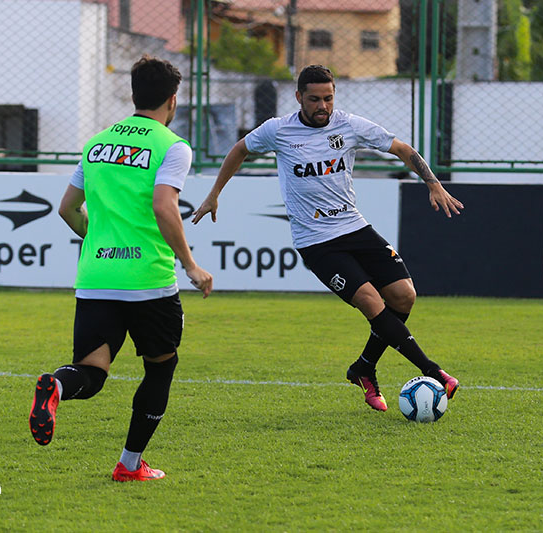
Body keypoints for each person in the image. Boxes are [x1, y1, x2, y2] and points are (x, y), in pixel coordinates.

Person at [192, 65, 461, 412]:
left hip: (355, 227)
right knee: (370, 300)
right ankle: (432, 370)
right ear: (299, 97)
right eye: (315, 99)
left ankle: (363, 368)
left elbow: (401, 149)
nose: (323, 106)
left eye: (329, 98)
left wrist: (432, 182)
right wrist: (215, 193)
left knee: (404, 296)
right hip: (316, 241)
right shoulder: (278, 130)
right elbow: (240, 149)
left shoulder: (348, 125)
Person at [30, 55, 213, 481]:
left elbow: (67, 209)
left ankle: (56, 386)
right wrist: (190, 264)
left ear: (133, 94)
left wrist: (96, 239)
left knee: (91, 373)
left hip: (96, 278)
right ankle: (130, 465)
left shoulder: (97, 144)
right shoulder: (172, 146)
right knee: (161, 366)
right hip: (147, 281)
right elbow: (164, 205)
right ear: (173, 99)